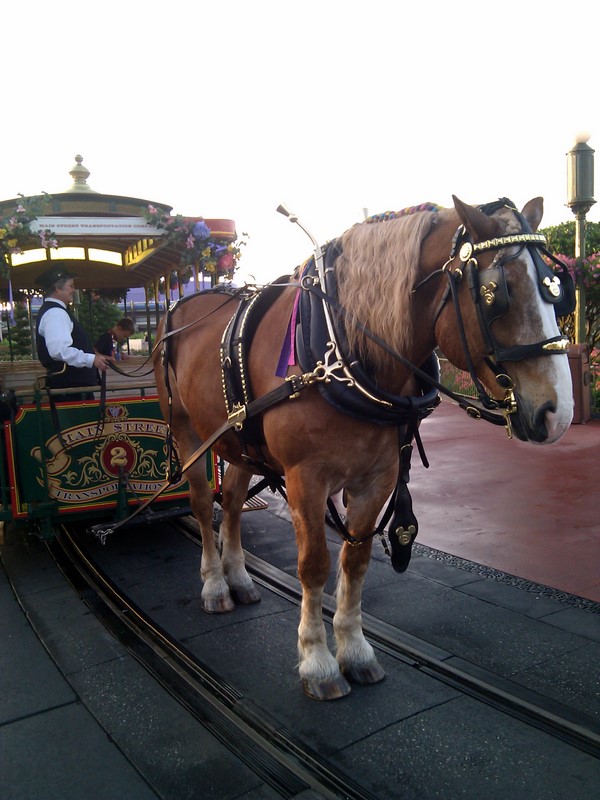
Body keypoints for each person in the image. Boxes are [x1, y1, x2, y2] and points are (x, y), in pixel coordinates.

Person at [35, 264, 113, 401]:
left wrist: (96, 356)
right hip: (70, 391)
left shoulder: (56, 311)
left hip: (72, 388)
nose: (74, 290)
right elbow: (59, 350)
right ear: (58, 288)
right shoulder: (56, 313)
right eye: (71, 286)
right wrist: (91, 359)